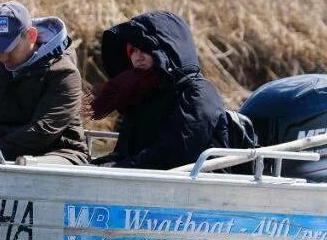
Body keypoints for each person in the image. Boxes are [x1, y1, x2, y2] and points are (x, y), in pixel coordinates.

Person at [88, 10, 229, 170]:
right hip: (149, 182)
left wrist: (117, 168)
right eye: (132, 50)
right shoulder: (140, 93)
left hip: (196, 186)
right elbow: (125, 152)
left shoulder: (198, 92)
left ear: (168, 50)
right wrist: (97, 166)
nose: (137, 57)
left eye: (144, 49)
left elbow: (176, 155)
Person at [0, 1, 89, 165]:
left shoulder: (64, 74)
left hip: (59, 153)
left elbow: (42, 131)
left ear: (32, 36)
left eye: (9, 48)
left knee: (26, 164)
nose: (3, 57)